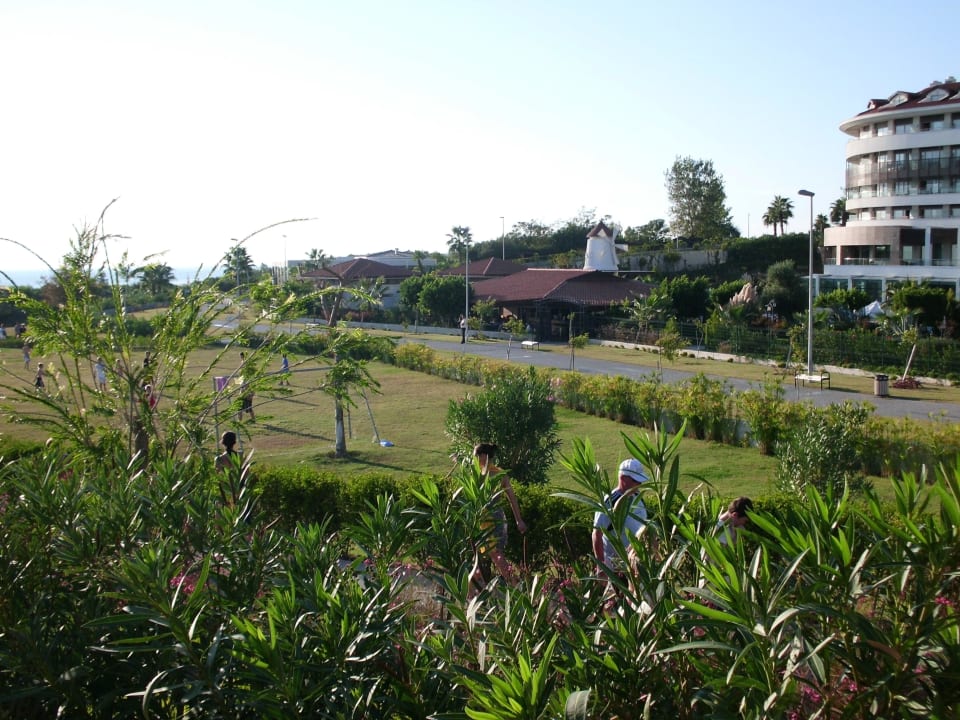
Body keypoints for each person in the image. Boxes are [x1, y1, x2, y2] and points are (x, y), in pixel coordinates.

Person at [472, 442, 527, 584]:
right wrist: (518, 520)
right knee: (478, 561)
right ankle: (472, 595)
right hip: (481, 520)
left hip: (493, 520)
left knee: (497, 555)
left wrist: (518, 520)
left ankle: (515, 587)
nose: (473, 459)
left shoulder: (494, 474)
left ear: (483, 456)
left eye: (475, 456)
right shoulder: (484, 472)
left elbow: (511, 498)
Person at [592, 458, 649, 575]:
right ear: (623, 478)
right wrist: (601, 566)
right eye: (635, 481)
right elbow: (597, 533)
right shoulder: (609, 502)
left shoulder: (638, 497)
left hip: (637, 563)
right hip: (616, 567)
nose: (639, 484)